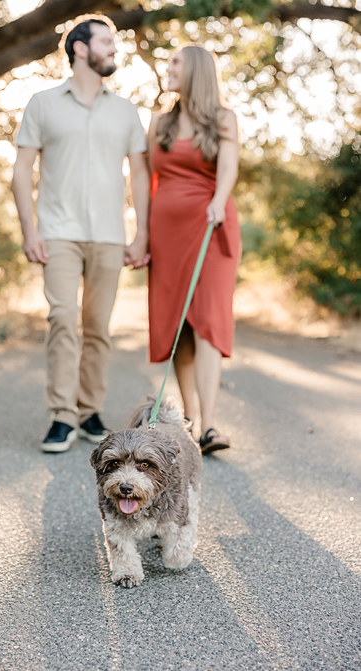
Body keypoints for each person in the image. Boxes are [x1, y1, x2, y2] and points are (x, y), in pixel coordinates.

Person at [11, 14, 151, 453]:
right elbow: (22, 170)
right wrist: (29, 229)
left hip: (109, 234)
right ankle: (62, 415)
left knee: (98, 327)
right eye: (106, 41)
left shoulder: (126, 110)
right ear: (80, 48)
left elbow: (140, 175)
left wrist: (141, 233)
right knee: (61, 319)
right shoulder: (42, 103)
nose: (114, 48)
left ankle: (90, 410)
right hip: (58, 232)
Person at [146, 45, 240, 453]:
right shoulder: (159, 122)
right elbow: (147, 179)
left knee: (207, 323)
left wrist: (218, 200)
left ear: (196, 71)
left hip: (210, 227)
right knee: (178, 326)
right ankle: (187, 423)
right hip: (166, 235)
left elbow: (229, 166)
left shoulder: (223, 118)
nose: (167, 69)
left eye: (175, 63)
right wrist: (142, 234)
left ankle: (210, 425)